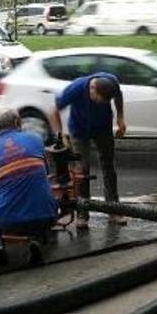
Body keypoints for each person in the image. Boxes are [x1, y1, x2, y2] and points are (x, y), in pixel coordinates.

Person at [0, 110, 58, 267]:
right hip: (46, 218)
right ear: (16, 124)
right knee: (41, 195)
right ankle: (36, 241)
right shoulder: (35, 140)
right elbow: (46, 173)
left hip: (7, 222)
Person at [50, 72, 126, 228]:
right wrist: (61, 133)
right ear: (92, 88)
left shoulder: (112, 82)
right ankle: (83, 213)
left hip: (103, 127)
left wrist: (120, 117)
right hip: (79, 130)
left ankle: (113, 209)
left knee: (109, 165)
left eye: (104, 102)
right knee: (82, 171)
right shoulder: (76, 88)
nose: (100, 103)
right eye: (98, 100)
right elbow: (54, 110)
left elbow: (118, 96)